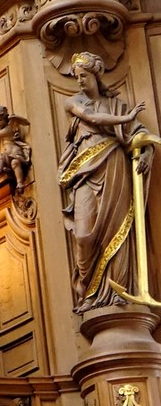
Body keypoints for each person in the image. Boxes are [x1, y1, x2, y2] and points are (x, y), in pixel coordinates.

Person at [59, 51, 157, 311]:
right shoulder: (73, 103)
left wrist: (146, 152)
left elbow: (140, 133)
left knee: (118, 232)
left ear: (95, 75)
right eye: (76, 76)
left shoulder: (116, 105)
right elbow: (91, 118)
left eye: (83, 76)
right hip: (85, 173)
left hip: (114, 166)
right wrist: (125, 119)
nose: (79, 81)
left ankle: (115, 294)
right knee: (82, 235)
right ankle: (88, 291)